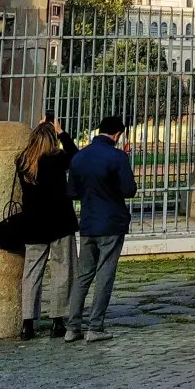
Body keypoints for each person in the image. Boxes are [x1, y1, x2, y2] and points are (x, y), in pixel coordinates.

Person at [65, 115, 136, 342]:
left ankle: (72, 327)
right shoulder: (118, 157)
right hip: (112, 222)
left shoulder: (79, 157)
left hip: (88, 223)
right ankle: (95, 327)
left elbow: (72, 192)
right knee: (105, 275)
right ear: (117, 135)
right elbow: (129, 190)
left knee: (83, 276)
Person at [14, 116, 79, 340]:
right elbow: (76, 157)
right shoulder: (57, 157)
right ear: (52, 138)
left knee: (31, 273)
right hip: (60, 222)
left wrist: (41, 127)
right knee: (63, 271)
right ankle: (57, 321)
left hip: (33, 223)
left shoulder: (22, 160)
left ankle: (27, 323)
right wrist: (61, 132)